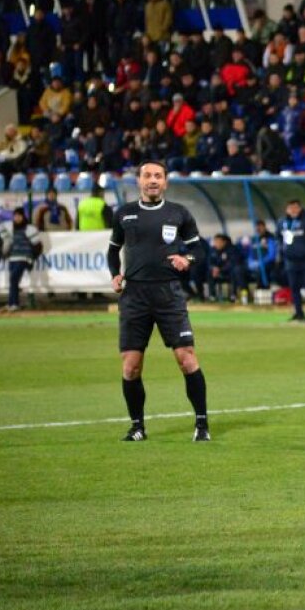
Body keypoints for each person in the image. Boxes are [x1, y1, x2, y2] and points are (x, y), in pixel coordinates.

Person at [107, 160, 210, 442]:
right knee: (131, 366)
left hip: (168, 295)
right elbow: (113, 251)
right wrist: (115, 275)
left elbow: (198, 251)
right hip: (134, 296)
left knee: (186, 359)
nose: (152, 180)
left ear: (165, 182)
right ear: (139, 181)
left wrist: (185, 259)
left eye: (158, 176)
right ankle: (137, 426)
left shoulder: (179, 213)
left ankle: (202, 425)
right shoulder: (124, 214)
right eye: (147, 175)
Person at [278, 199, 305, 322]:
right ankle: (298, 312)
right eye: (290, 208)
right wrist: (283, 251)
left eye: (295, 208)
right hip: (290, 261)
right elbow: (278, 238)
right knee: (294, 287)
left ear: (300, 208)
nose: (293, 210)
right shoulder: (282, 222)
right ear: (287, 210)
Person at [0, 208, 42, 311]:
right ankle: (11, 303)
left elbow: (38, 245)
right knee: (12, 280)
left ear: (23, 217)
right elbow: (2, 231)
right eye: (15, 216)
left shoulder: (29, 229)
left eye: (19, 216)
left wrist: (32, 257)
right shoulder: (11, 229)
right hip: (13, 258)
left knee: (13, 279)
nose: (17, 218)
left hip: (24, 258)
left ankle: (14, 303)